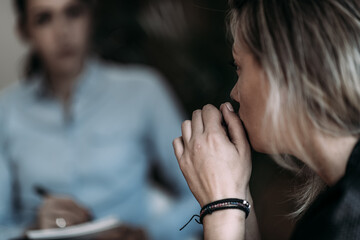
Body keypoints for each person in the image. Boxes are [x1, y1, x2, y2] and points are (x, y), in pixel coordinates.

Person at [0, 0, 200, 239]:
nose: (62, 32)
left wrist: (147, 233)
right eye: (44, 18)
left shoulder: (142, 91)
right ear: (24, 31)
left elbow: (200, 195)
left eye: (73, 13)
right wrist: (30, 231)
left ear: (90, 17)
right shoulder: (7, 110)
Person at [173, 0, 360, 239]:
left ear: (283, 70)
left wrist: (221, 208)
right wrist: (235, 194)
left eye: (238, 66)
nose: (234, 93)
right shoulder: (342, 196)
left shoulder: (344, 222)